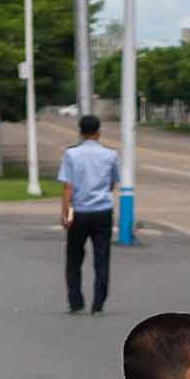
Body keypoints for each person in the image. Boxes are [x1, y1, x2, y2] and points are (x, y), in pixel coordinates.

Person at [57, 113, 120, 315]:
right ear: (99, 132)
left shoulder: (71, 154)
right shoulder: (110, 155)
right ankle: (98, 303)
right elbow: (112, 183)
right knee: (102, 258)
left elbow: (68, 186)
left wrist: (65, 213)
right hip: (102, 211)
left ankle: (76, 302)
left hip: (79, 212)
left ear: (80, 132)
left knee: (74, 258)